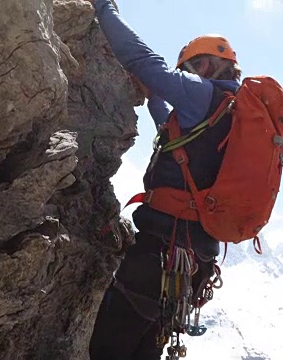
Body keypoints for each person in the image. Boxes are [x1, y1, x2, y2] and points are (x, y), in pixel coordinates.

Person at [87, 0, 246, 359]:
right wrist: (154, 98)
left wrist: (104, 9)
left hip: (157, 256)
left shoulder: (203, 94)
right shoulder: (233, 109)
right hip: (193, 268)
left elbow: (143, 61)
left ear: (204, 65)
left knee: (106, 351)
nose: (186, 76)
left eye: (189, 69)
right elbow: (181, 142)